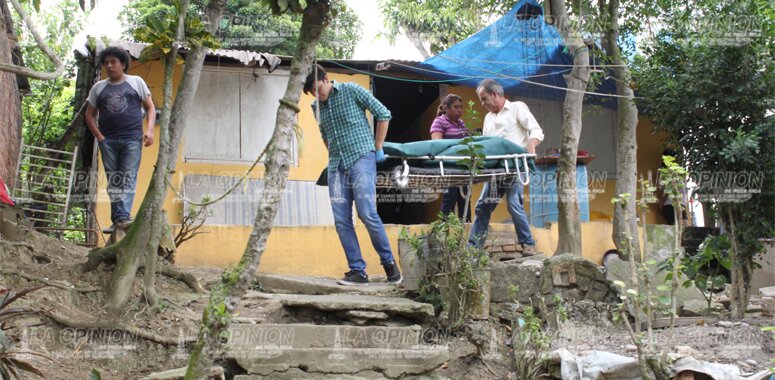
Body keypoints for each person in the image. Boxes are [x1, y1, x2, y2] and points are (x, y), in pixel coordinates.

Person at [303, 64, 402, 286]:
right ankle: (358, 271)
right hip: (336, 166)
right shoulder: (315, 106)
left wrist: (377, 147)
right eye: (312, 93)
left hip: (361, 157)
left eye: (317, 89)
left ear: (327, 79)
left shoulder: (352, 90)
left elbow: (383, 113)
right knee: (341, 220)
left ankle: (390, 266)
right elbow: (324, 134)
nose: (316, 95)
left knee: (366, 213)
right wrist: (333, 157)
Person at [468, 79, 543, 255]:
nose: (483, 103)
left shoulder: (517, 107)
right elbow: (487, 145)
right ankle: (473, 248)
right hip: (495, 171)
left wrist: (531, 146)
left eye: (484, 98)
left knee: (513, 204)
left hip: (515, 167)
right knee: (483, 206)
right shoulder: (488, 118)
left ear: (494, 94)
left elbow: (536, 130)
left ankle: (528, 244)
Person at [85, 46, 155, 231]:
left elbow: (150, 108)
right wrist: (100, 137)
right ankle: (119, 220)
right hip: (108, 141)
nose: (109, 65)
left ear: (123, 64)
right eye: (106, 62)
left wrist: (149, 130)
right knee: (114, 180)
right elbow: (89, 115)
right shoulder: (98, 88)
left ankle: (121, 218)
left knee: (128, 177)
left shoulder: (136, 82)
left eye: (113, 62)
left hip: (132, 139)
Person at [430, 94, 470, 221]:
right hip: (448, 167)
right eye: (456, 107)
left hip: (463, 167)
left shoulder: (461, 123)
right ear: (446, 109)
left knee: (465, 199)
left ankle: (466, 231)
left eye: (461, 107)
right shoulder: (439, 121)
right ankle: (444, 231)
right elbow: (437, 144)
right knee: (450, 199)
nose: (459, 110)